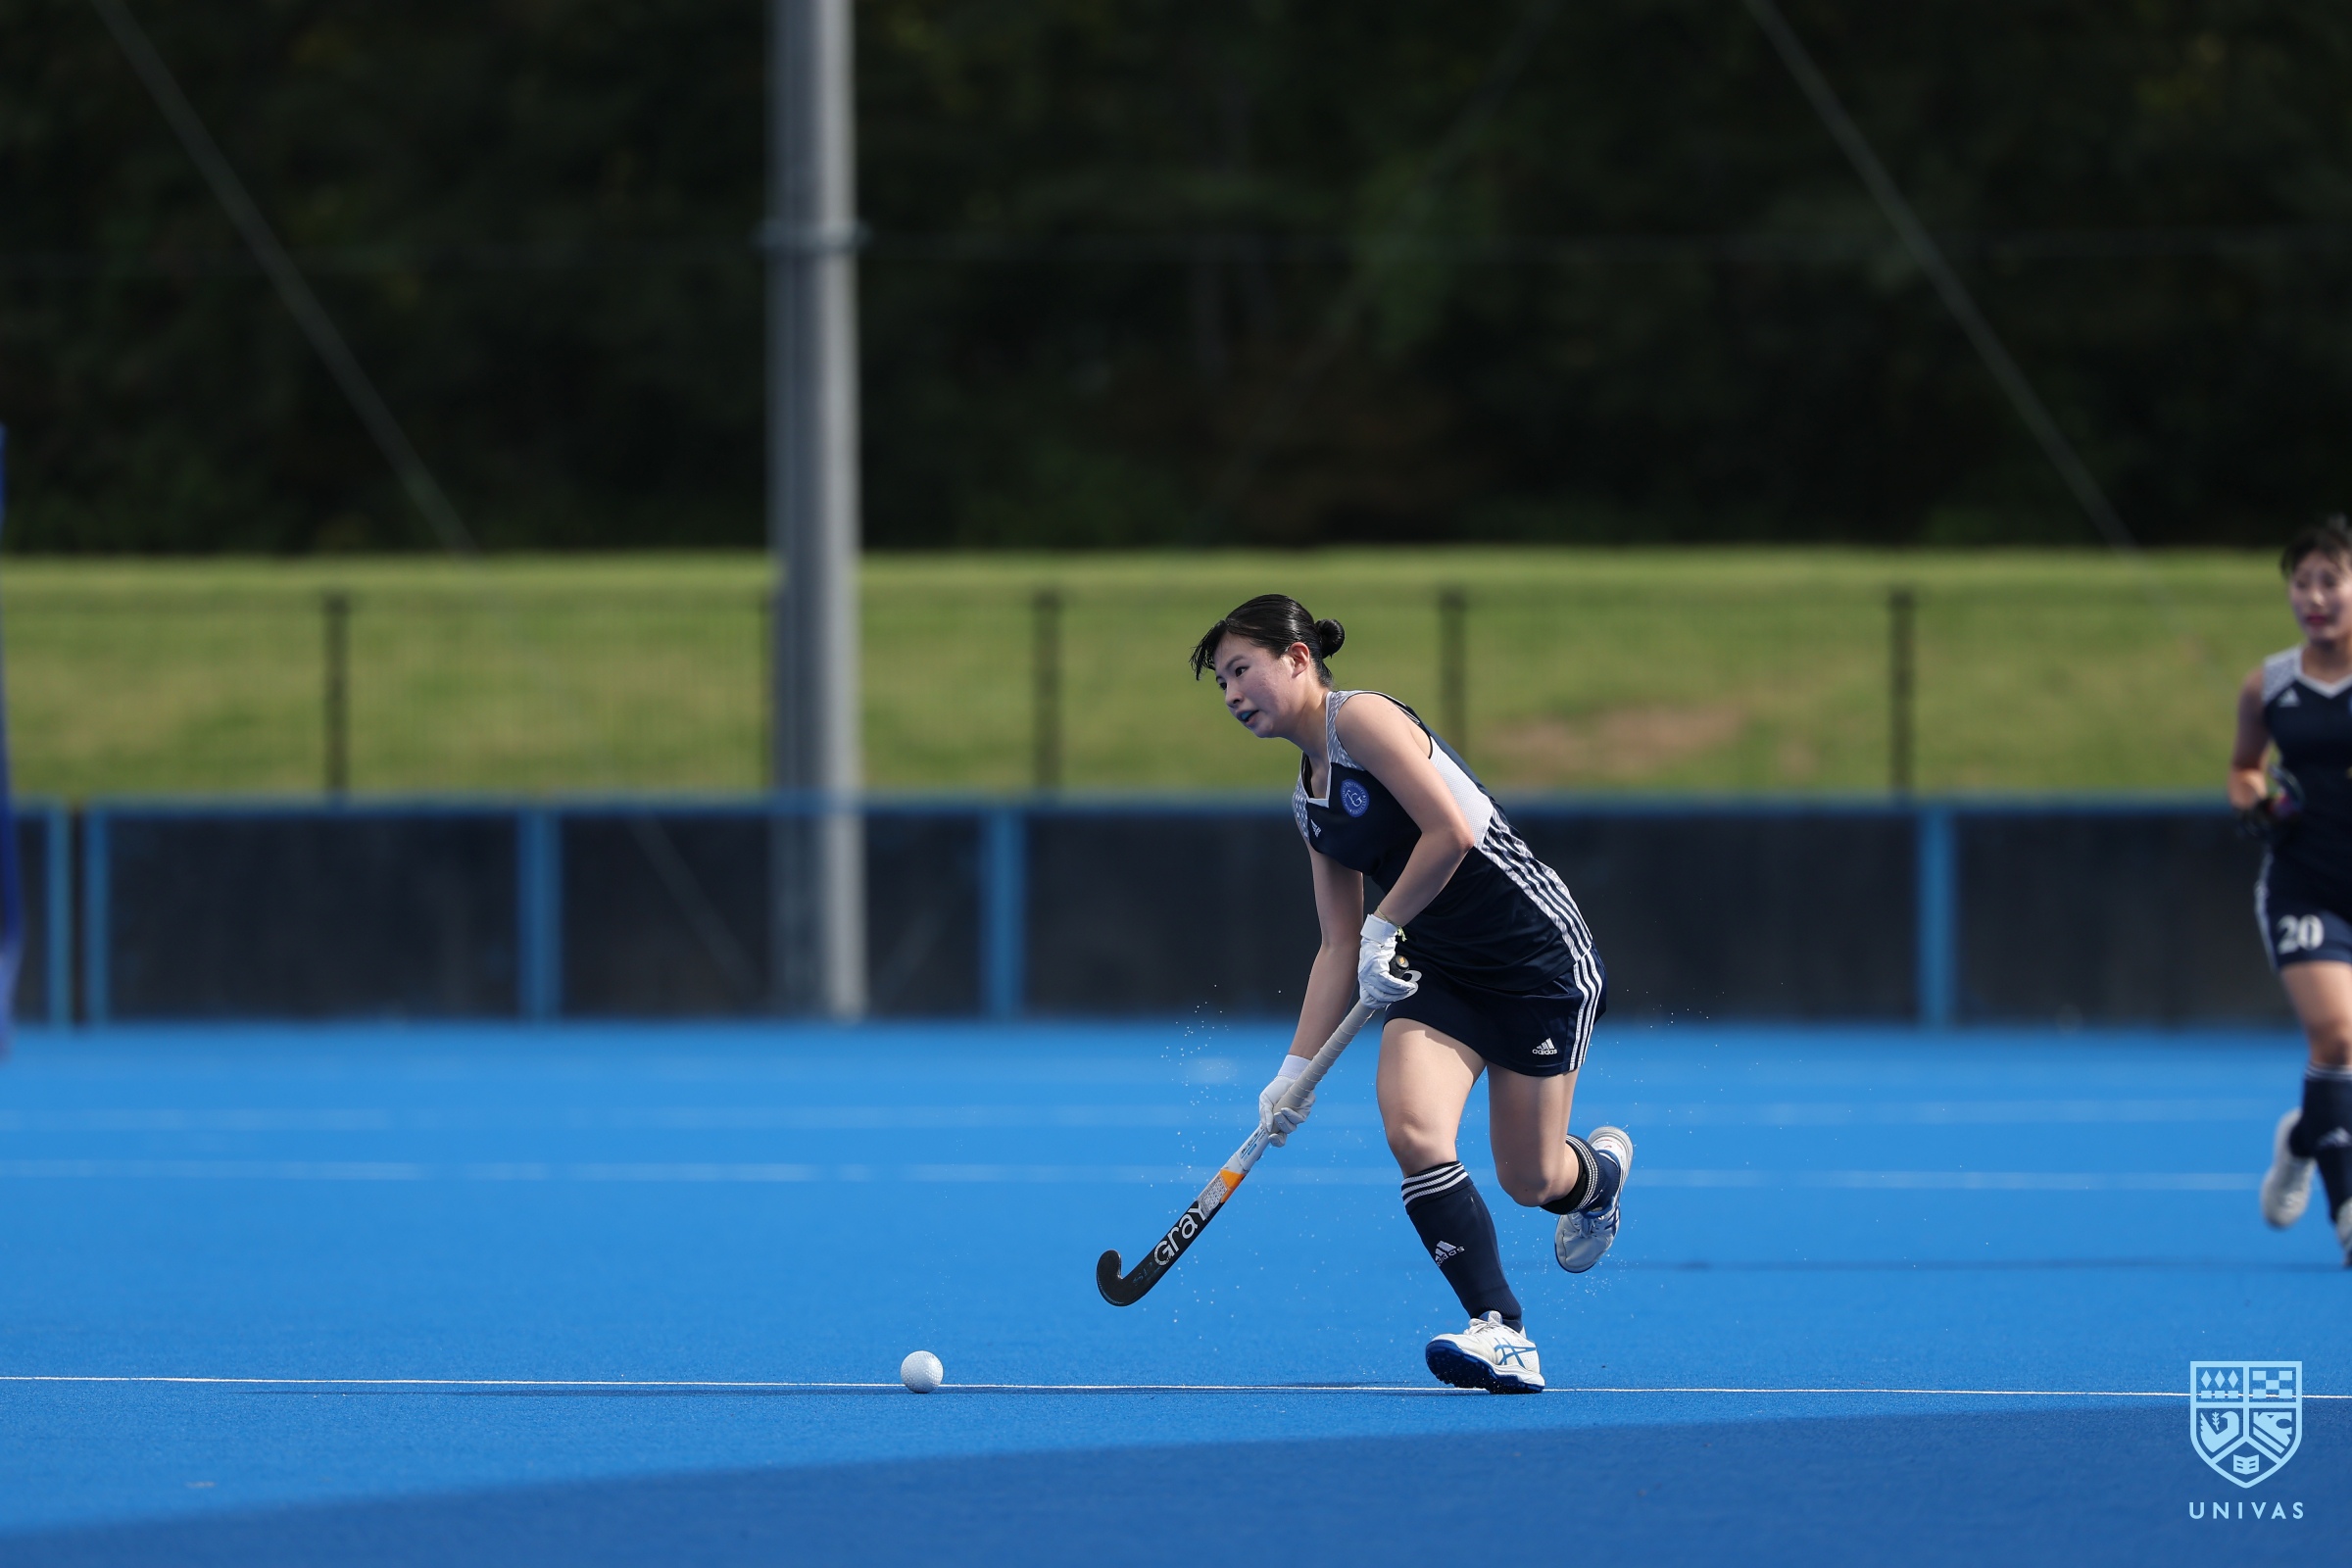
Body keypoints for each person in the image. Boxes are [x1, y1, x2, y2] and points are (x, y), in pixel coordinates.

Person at [1193, 594, 1626, 1393]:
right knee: (1414, 1129)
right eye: (1222, 682)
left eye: (1241, 670)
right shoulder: (1308, 802)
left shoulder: (1361, 720)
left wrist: (1384, 927)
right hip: (1441, 970)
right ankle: (1501, 1331)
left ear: (1298, 657)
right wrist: (1293, 1073)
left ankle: (1597, 1180)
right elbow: (1336, 945)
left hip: (1534, 957)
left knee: (1530, 1180)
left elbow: (1450, 832)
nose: (1232, 694)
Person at [2240, 516, 2352, 1263]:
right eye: (2302, 582)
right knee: (2338, 1036)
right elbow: (2243, 767)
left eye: (2330, 581)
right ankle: (2348, 1214)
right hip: (2305, 886)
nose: (2314, 597)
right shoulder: (2270, 684)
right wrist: (2258, 803)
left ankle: (2305, 1137)